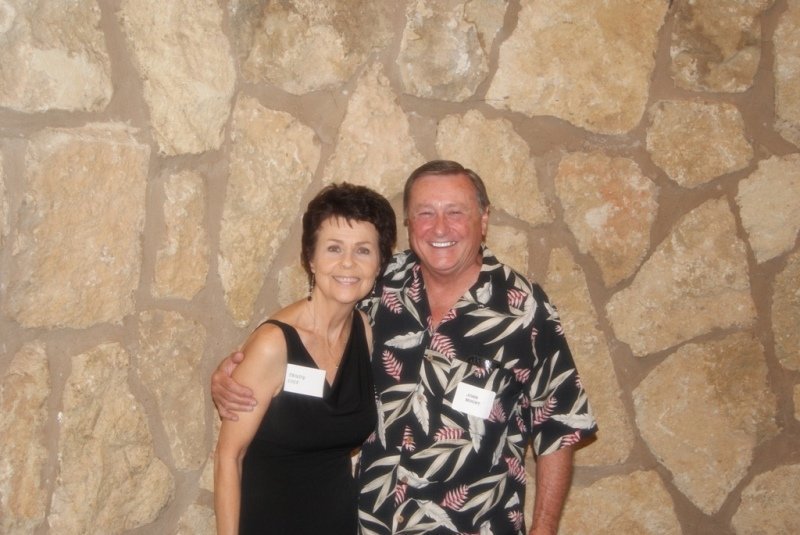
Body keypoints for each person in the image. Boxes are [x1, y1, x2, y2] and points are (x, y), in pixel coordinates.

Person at [212, 161, 597, 535]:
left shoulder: (524, 309)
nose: (440, 227)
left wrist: (544, 527)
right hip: (373, 523)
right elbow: (310, 326)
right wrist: (236, 369)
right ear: (410, 224)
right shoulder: (379, 284)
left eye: (455, 212)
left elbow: (559, 425)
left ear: (483, 220)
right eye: (425, 213)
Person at [213, 183, 397, 535]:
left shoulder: (364, 331)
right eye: (334, 248)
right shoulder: (274, 345)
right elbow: (228, 457)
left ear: (379, 264)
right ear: (310, 259)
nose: (348, 262)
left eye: (363, 250)